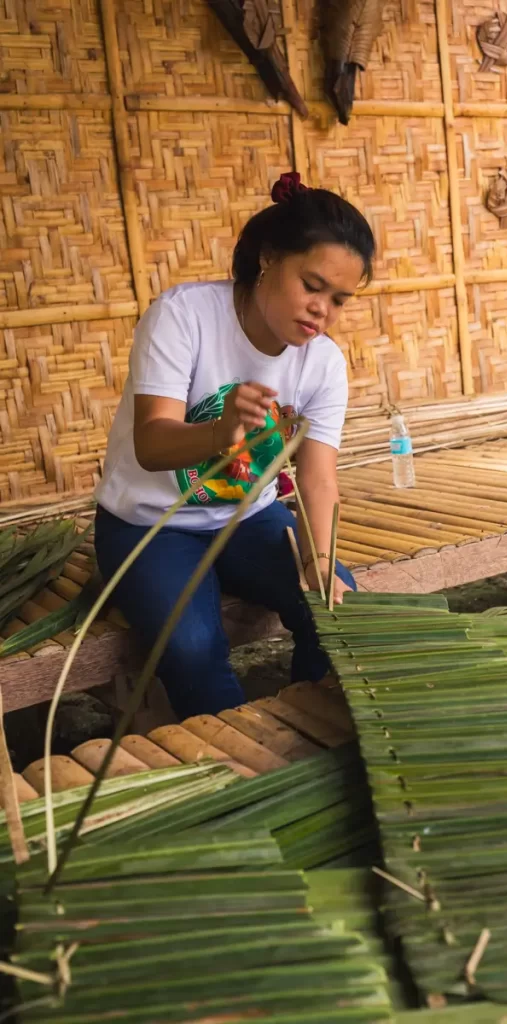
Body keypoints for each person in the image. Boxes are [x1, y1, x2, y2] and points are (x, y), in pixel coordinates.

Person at [94, 172, 375, 720]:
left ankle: (315, 728)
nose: (323, 310)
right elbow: (152, 445)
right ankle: (243, 762)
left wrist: (319, 559)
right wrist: (220, 434)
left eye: (339, 299)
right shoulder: (183, 318)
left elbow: (317, 477)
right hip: (149, 524)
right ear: (270, 258)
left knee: (337, 605)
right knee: (193, 648)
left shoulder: (322, 363)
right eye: (312, 285)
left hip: (249, 518)